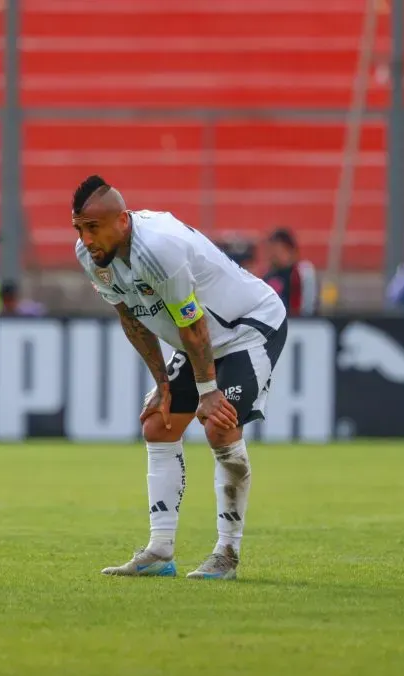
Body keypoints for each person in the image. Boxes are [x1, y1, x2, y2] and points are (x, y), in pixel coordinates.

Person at [72, 175, 287, 581]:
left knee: (220, 425)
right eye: (79, 228)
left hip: (246, 328)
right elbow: (131, 318)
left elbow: (194, 326)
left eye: (93, 228)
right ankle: (160, 551)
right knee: (159, 422)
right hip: (200, 341)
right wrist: (163, 385)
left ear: (122, 222)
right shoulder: (91, 255)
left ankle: (227, 553)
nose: (86, 239)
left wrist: (208, 393)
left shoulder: (158, 250)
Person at [262, 227, 319, 317]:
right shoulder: (269, 276)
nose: (273, 255)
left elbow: (309, 303)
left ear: (290, 250)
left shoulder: (302, 271)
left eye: (278, 250)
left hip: (297, 322)